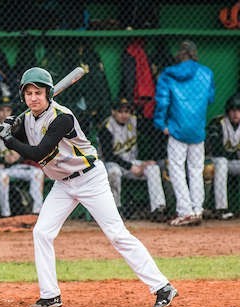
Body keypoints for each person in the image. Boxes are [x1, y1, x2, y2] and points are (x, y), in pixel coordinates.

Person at [0, 67, 178, 307]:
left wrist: (9, 140)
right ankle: (50, 295)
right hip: (63, 184)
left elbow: (39, 153)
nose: (33, 98)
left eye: (38, 92)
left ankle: (162, 286)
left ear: (49, 94)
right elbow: (24, 134)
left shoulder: (63, 118)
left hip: (90, 179)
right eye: (28, 93)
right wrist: (9, 127)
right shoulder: (28, 118)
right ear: (23, 97)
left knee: (116, 234)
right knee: (42, 232)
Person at [153, 40, 215, 226]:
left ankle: (185, 210)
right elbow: (210, 98)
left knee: (177, 170)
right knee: (196, 170)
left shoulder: (168, 75)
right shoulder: (206, 73)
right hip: (197, 129)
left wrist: (160, 123)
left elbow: (162, 102)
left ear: (179, 55)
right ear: (194, 54)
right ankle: (197, 209)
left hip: (176, 129)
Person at [98, 98, 167, 221]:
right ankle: (115, 210)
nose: (125, 115)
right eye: (121, 111)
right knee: (114, 172)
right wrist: (131, 167)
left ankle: (158, 209)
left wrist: (150, 160)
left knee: (153, 168)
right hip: (112, 164)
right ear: (113, 112)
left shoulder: (134, 121)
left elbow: (155, 134)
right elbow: (108, 155)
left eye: (127, 111)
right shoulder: (107, 127)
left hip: (132, 161)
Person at [0, 96, 44, 217]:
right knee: (2, 175)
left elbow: (26, 151)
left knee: (37, 173)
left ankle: (36, 213)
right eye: (2, 110)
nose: (5, 113)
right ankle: (5, 215)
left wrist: (18, 157)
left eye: (8, 110)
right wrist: (1, 159)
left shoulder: (16, 127)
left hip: (11, 167)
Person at [204, 92, 240, 220]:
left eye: (239, 110)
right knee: (222, 162)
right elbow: (215, 148)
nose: (236, 114)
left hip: (234, 162)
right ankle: (221, 208)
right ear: (228, 111)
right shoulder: (218, 122)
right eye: (233, 110)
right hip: (215, 161)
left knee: (226, 161)